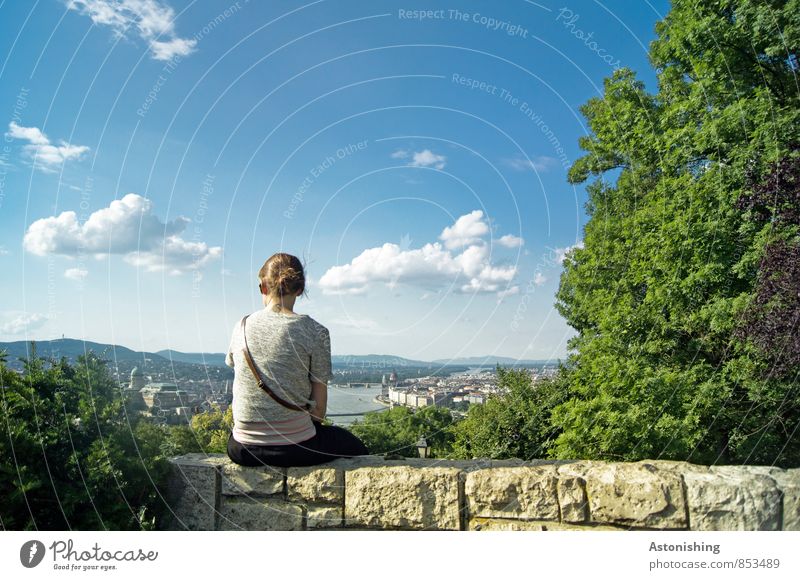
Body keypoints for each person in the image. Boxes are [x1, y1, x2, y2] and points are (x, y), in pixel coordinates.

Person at [225, 252, 369, 467]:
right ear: (300, 290)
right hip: (295, 447)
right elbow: (318, 412)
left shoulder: (241, 326)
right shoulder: (316, 331)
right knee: (355, 447)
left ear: (263, 287)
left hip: (242, 448)